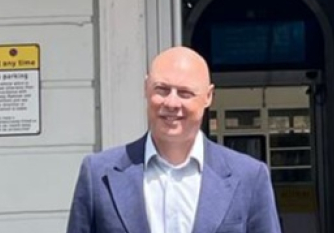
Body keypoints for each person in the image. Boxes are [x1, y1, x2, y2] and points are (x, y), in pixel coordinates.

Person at [66, 46, 282, 233]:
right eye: (162, 89)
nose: (171, 102)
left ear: (208, 97)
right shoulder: (98, 175)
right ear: (145, 88)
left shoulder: (249, 178)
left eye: (185, 93)